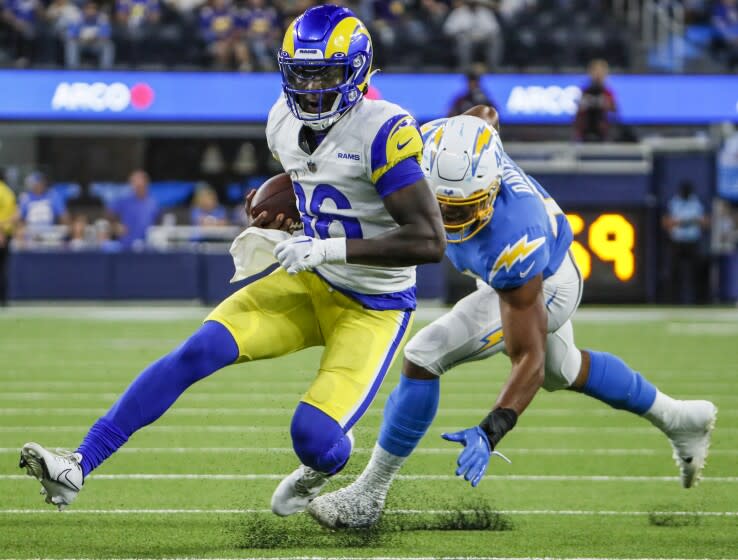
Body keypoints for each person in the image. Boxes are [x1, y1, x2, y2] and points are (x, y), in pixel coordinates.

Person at [19, 4, 445, 513]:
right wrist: (291, 212)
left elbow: (428, 241)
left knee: (313, 440)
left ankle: (329, 461)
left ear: (356, 72)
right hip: (309, 281)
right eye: (301, 74)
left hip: (373, 306)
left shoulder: (384, 130)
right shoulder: (282, 121)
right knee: (196, 351)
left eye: (325, 74)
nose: (311, 88)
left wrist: (325, 244)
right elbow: (315, 180)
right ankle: (78, 464)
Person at [307, 107, 718, 529]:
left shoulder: (513, 237)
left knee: (424, 353)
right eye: (441, 205)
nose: (449, 221)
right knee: (567, 368)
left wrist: (491, 429)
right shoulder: (428, 141)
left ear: (491, 187)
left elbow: (529, 360)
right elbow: (483, 116)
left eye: (463, 208)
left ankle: (368, 494)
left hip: (544, 282)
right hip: (523, 267)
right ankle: (680, 419)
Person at [662, 181, 709, 304]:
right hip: (677, 242)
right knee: (674, 272)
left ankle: (700, 301)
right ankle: (673, 301)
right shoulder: (673, 203)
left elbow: (705, 222)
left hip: (693, 242)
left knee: (697, 273)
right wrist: (686, 222)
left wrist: (684, 222)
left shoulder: (697, 203)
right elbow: (666, 222)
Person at [107, 169, 159, 249]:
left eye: (140, 184)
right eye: (134, 183)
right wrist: (116, 226)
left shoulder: (153, 203)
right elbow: (109, 214)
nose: (137, 187)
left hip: (147, 247)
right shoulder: (124, 200)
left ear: (146, 184)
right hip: (126, 246)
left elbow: (158, 223)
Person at [574, 59, 617, 142]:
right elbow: (578, 114)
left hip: (604, 134)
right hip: (585, 134)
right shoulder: (584, 92)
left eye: (601, 72)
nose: (598, 74)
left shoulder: (608, 93)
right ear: (590, 73)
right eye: (595, 71)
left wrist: (605, 104)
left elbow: (614, 112)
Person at [0, 171, 16, 306]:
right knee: (3, 267)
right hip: (7, 233)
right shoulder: (8, 192)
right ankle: (3, 298)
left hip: (2, 234)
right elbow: (14, 215)